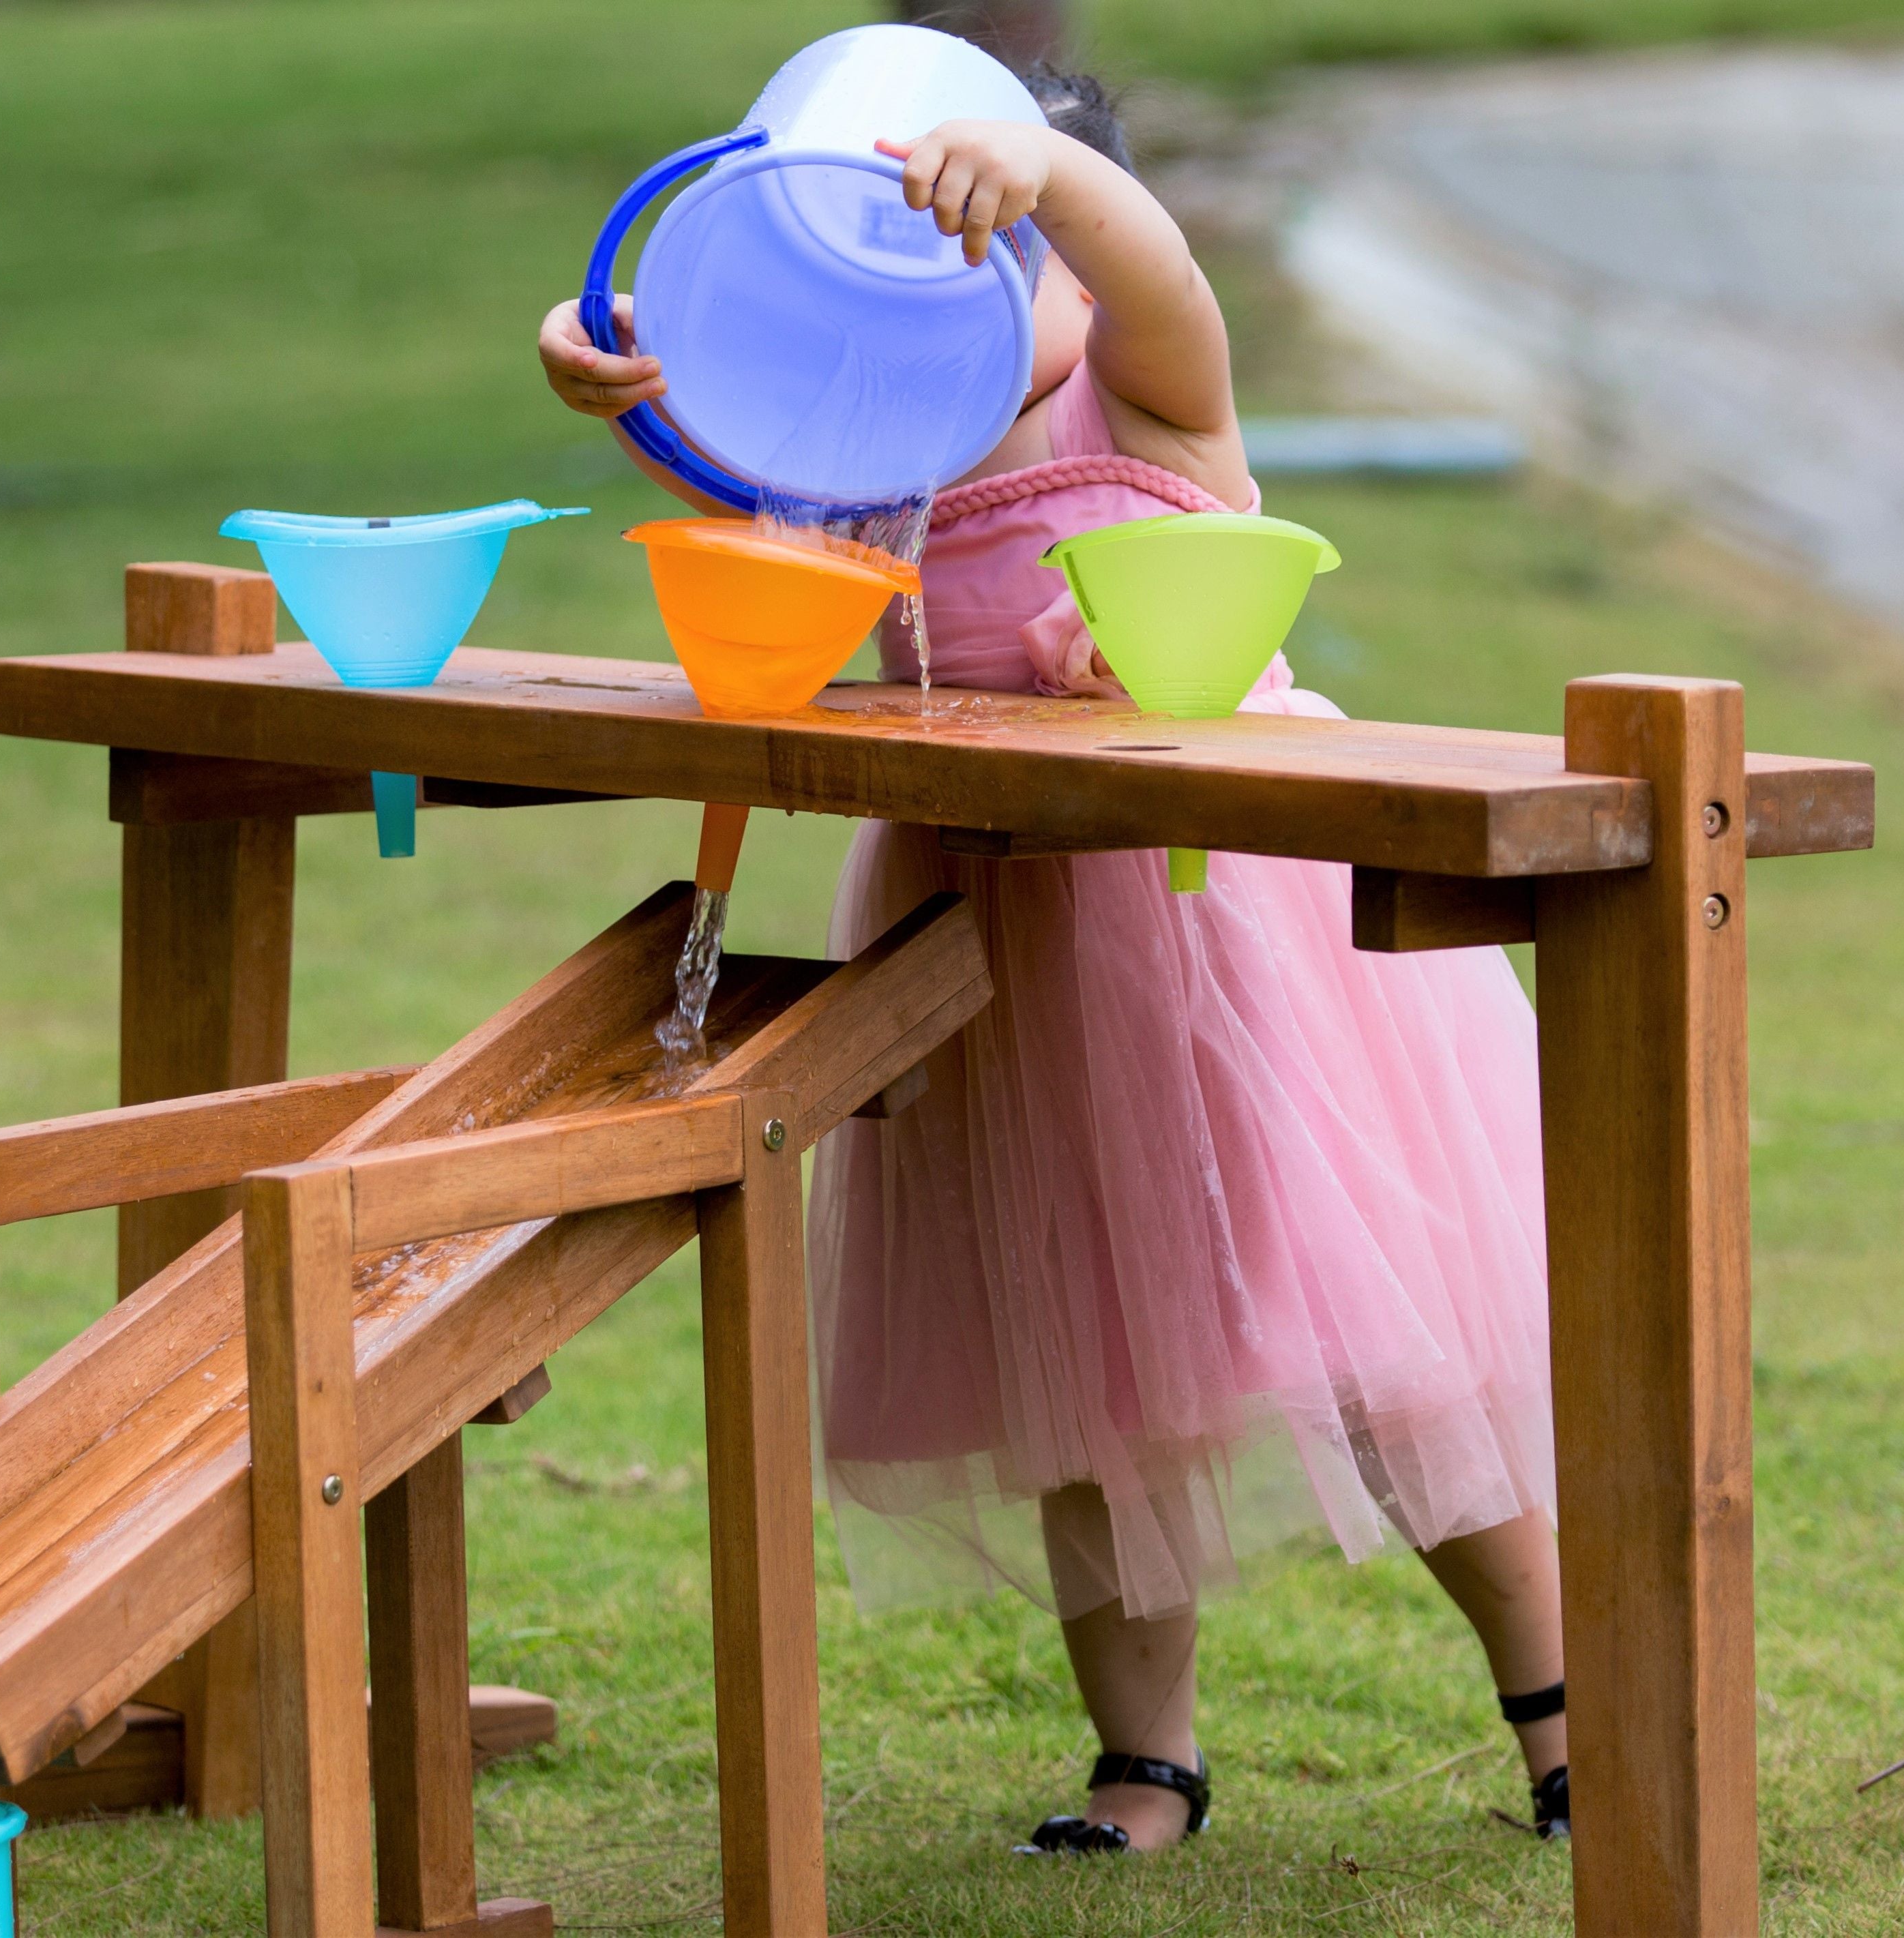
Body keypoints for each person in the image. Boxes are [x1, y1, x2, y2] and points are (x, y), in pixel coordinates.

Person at [537, 66, 1571, 1855]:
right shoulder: (866, 455)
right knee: (1079, 1366)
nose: (948, 293)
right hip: (999, 947)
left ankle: (1565, 1710)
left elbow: (1158, 268)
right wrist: (611, 353)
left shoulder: (1151, 390)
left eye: (1000, 251)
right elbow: (700, 412)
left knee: (1376, 1348)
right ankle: (1145, 1755)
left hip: (1237, 938)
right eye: (896, 265)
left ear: (1076, 267)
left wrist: (1047, 177)